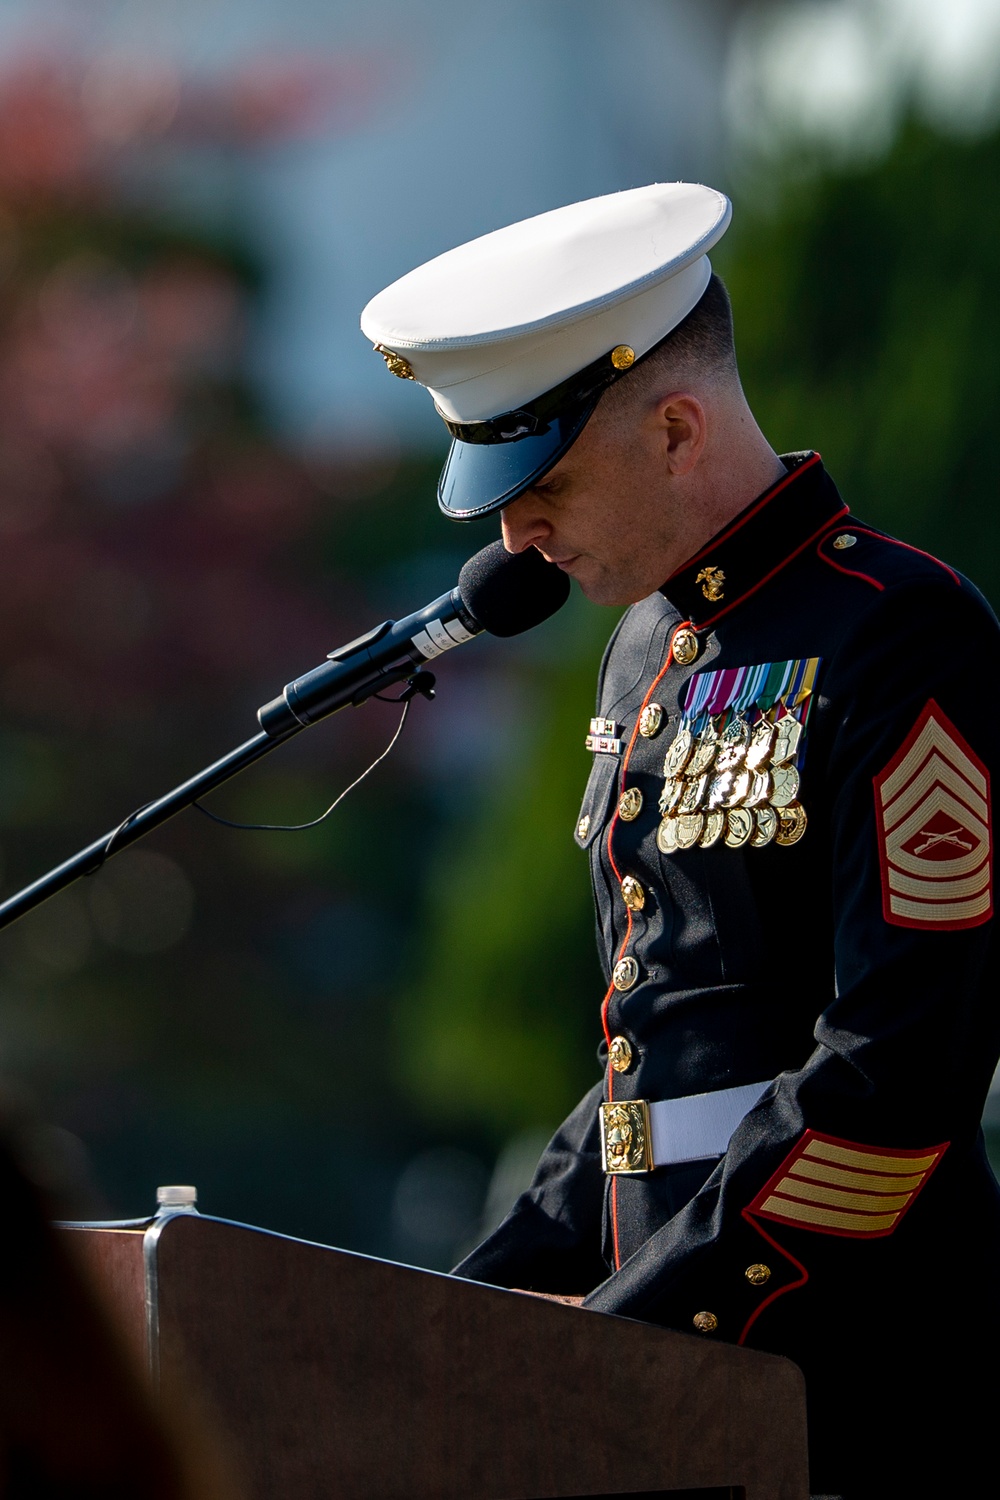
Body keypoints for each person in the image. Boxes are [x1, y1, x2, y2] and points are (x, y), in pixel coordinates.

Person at [361, 183, 1000, 1498]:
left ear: (674, 427)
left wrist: (641, 1326)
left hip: (858, 1385)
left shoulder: (897, 630)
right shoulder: (644, 651)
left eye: (541, 483)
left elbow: (901, 1069)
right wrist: (456, 1321)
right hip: (672, 1387)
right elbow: (651, 1066)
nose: (512, 534)